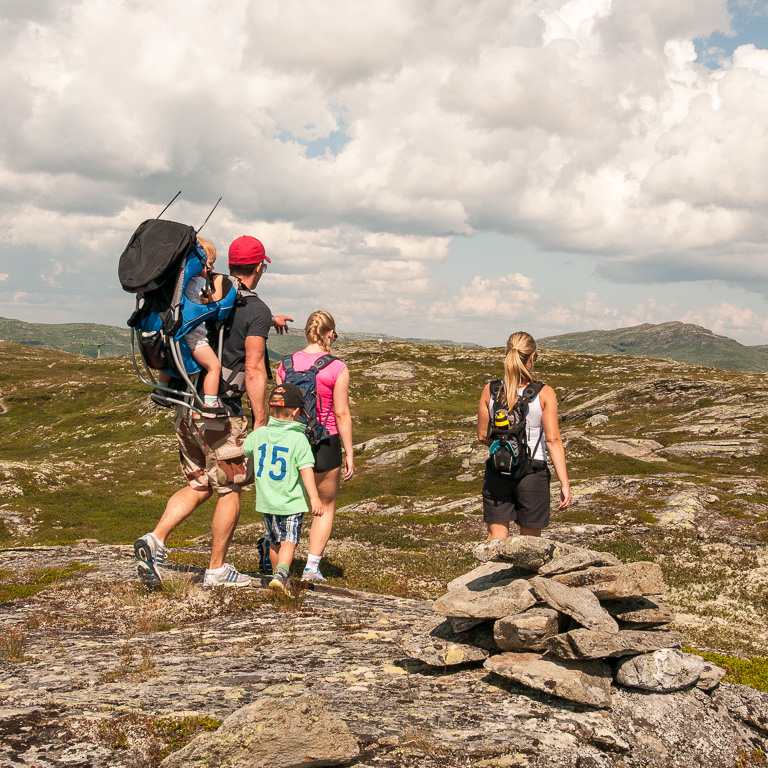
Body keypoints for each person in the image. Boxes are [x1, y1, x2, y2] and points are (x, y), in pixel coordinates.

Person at [134, 235, 293, 589]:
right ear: (260, 266)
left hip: (187, 404)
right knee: (231, 487)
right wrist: (261, 421)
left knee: (200, 481)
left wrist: (269, 319)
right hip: (222, 412)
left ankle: (155, 539)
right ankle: (218, 570)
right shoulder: (255, 309)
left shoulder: (205, 288)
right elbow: (253, 368)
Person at [275, 310, 354, 582]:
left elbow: (279, 410)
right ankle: (311, 567)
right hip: (324, 440)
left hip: (289, 440)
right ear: (329, 333)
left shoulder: (285, 365)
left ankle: (278, 560)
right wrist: (350, 452)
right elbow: (342, 413)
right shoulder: (336, 367)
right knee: (325, 505)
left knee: (287, 504)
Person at [477, 331, 571, 539]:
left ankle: (490, 570)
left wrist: (506, 449)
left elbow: (483, 435)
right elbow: (553, 440)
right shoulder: (544, 393)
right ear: (532, 357)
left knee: (495, 539)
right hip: (532, 472)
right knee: (529, 544)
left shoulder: (490, 390)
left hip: (498, 469)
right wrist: (564, 483)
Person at [243, 382, 324, 596]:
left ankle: (277, 578)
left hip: (266, 501)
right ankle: (281, 573)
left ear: (271, 409)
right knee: (289, 539)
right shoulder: (298, 438)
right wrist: (314, 497)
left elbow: (245, 448)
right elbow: (306, 469)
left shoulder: (260, 434)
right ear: (296, 411)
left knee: (274, 540)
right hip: (290, 501)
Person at [155, 237, 226, 417]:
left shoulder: (178, 283)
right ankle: (210, 402)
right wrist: (216, 285)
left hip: (173, 332)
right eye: (209, 264)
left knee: (171, 357)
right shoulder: (200, 284)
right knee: (214, 366)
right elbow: (210, 301)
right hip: (195, 335)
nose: (212, 268)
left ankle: (161, 389)